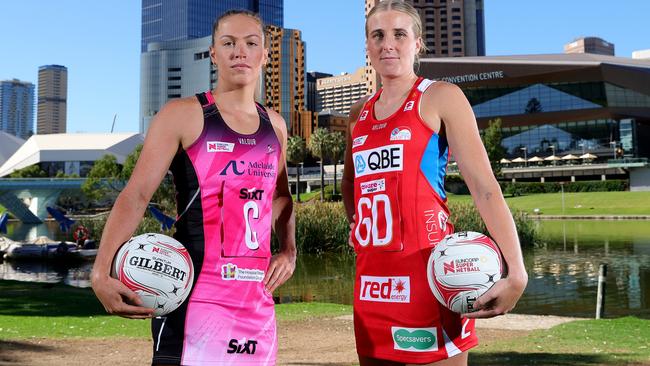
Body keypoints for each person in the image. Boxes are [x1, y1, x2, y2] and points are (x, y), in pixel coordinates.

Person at [91, 10, 296, 366]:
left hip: (256, 307)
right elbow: (137, 195)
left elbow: (280, 195)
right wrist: (100, 272)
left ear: (264, 54)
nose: (239, 52)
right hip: (194, 301)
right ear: (213, 53)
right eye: (228, 43)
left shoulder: (275, 126)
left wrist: (289, 250)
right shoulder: (183, 115)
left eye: (251, 43)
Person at [341, 1, 528, 365]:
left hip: (431, 282)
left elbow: (484, 187)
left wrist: (516, 271)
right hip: (372, 285)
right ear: (367, 45)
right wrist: (356, 223)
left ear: (418, 42)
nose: (388, 44)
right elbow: (351, 183)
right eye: (377, 35)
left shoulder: (440, 96)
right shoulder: (358, 113)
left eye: (399, 34)